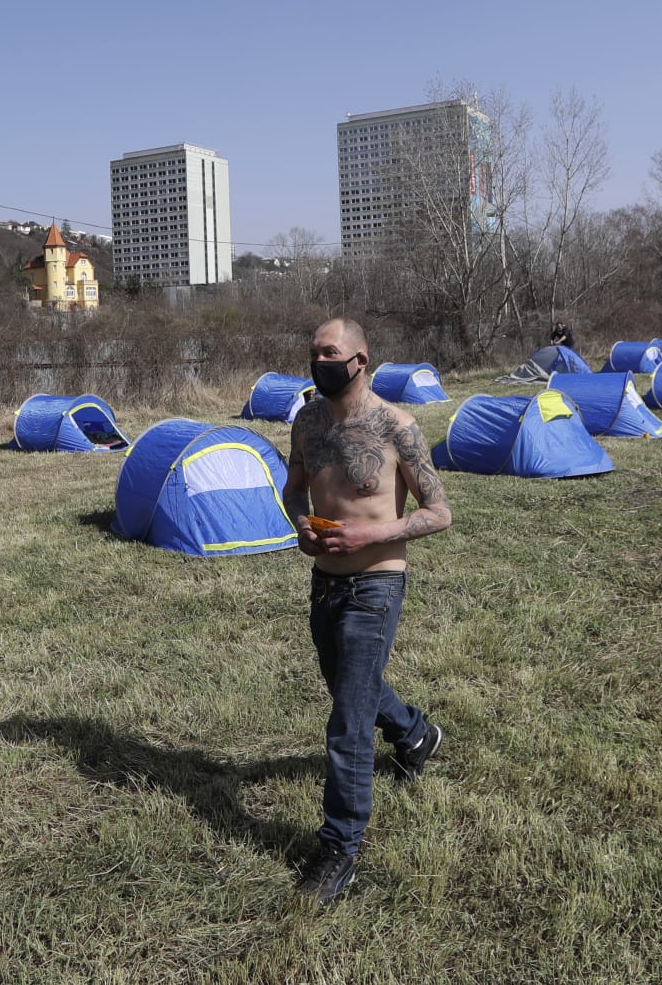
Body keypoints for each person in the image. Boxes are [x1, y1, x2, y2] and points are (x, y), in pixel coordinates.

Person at [282, 318, 453, 905]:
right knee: (350, 690)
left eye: (329, 352)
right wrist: (300, 524)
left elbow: (439, 512)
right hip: (323, 585)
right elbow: (294, 488)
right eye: (313, 352)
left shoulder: (397, 427)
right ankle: (415, 734)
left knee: (347, 724)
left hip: (375, 586)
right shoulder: (305, 420)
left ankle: (339, 850)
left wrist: (371, 534)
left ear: (360, 360)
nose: (318, 361)